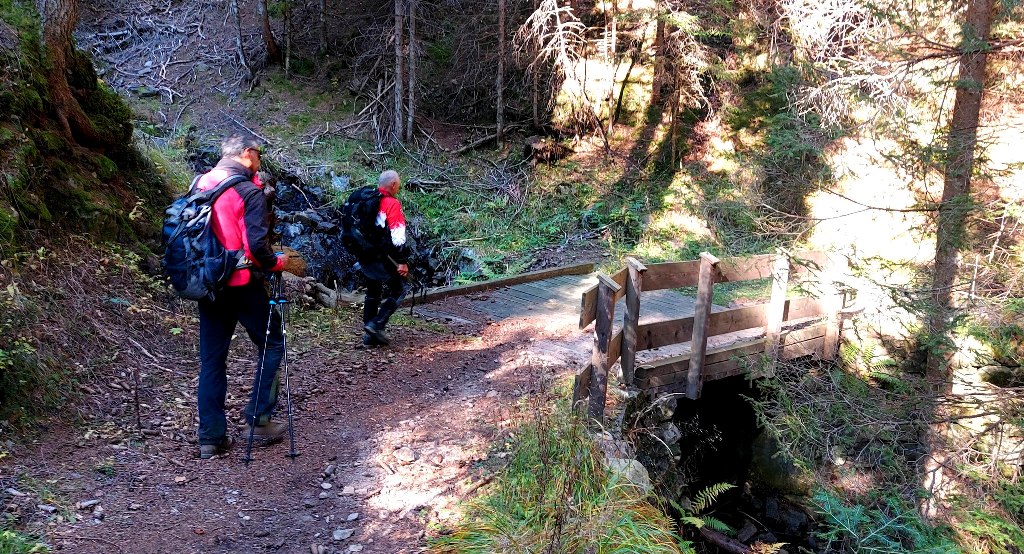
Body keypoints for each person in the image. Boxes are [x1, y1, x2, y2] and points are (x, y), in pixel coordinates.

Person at [194, 133, 289, 459]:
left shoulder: (200, 183)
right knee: (273, 342)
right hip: (242, 283)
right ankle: (258, 420)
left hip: (208, 284)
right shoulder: (248, 191)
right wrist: (278, 263)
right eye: (258, 154)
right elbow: (257, 247)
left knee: (212, 359)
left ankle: (210, 437)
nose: (259, 161)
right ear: (247, 153)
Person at [359, 170, 410, 346]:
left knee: (373, 291)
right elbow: (398, 237)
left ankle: (369, 336)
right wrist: (402, 261)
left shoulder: (366, 200)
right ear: (393, 185)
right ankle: (376, 324)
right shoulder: (391, 203)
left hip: (364, 252)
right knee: (399, 290)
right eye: (399, 185)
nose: (399, 187)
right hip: (382, 256)